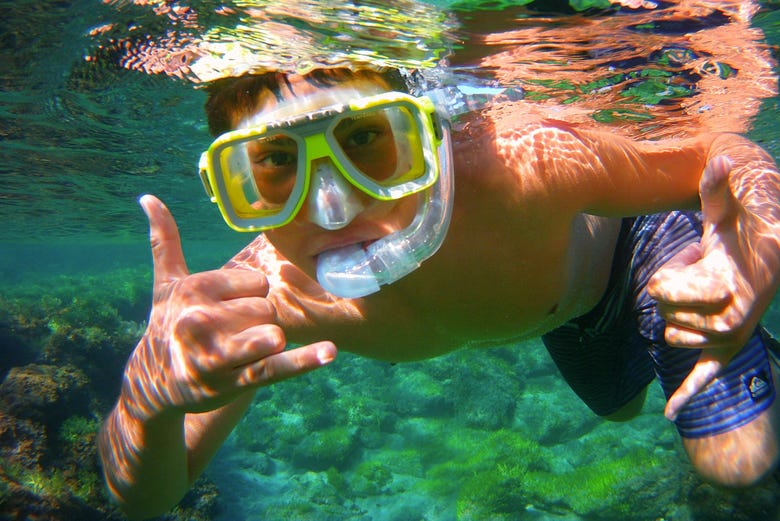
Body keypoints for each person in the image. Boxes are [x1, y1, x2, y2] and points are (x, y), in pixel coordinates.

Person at [98, 65, 780, 520]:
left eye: (366, 139)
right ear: (234, 184)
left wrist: (752, 247)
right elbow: (145, 500)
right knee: (621, 411)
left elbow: (717, 147)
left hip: (640, 248)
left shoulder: (522, 171)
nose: (332, 208)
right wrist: (145, 403)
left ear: (426, 133)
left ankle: (700, 276)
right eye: (276, 161)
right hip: (559, 312)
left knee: (738, 460)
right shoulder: (264, 298)